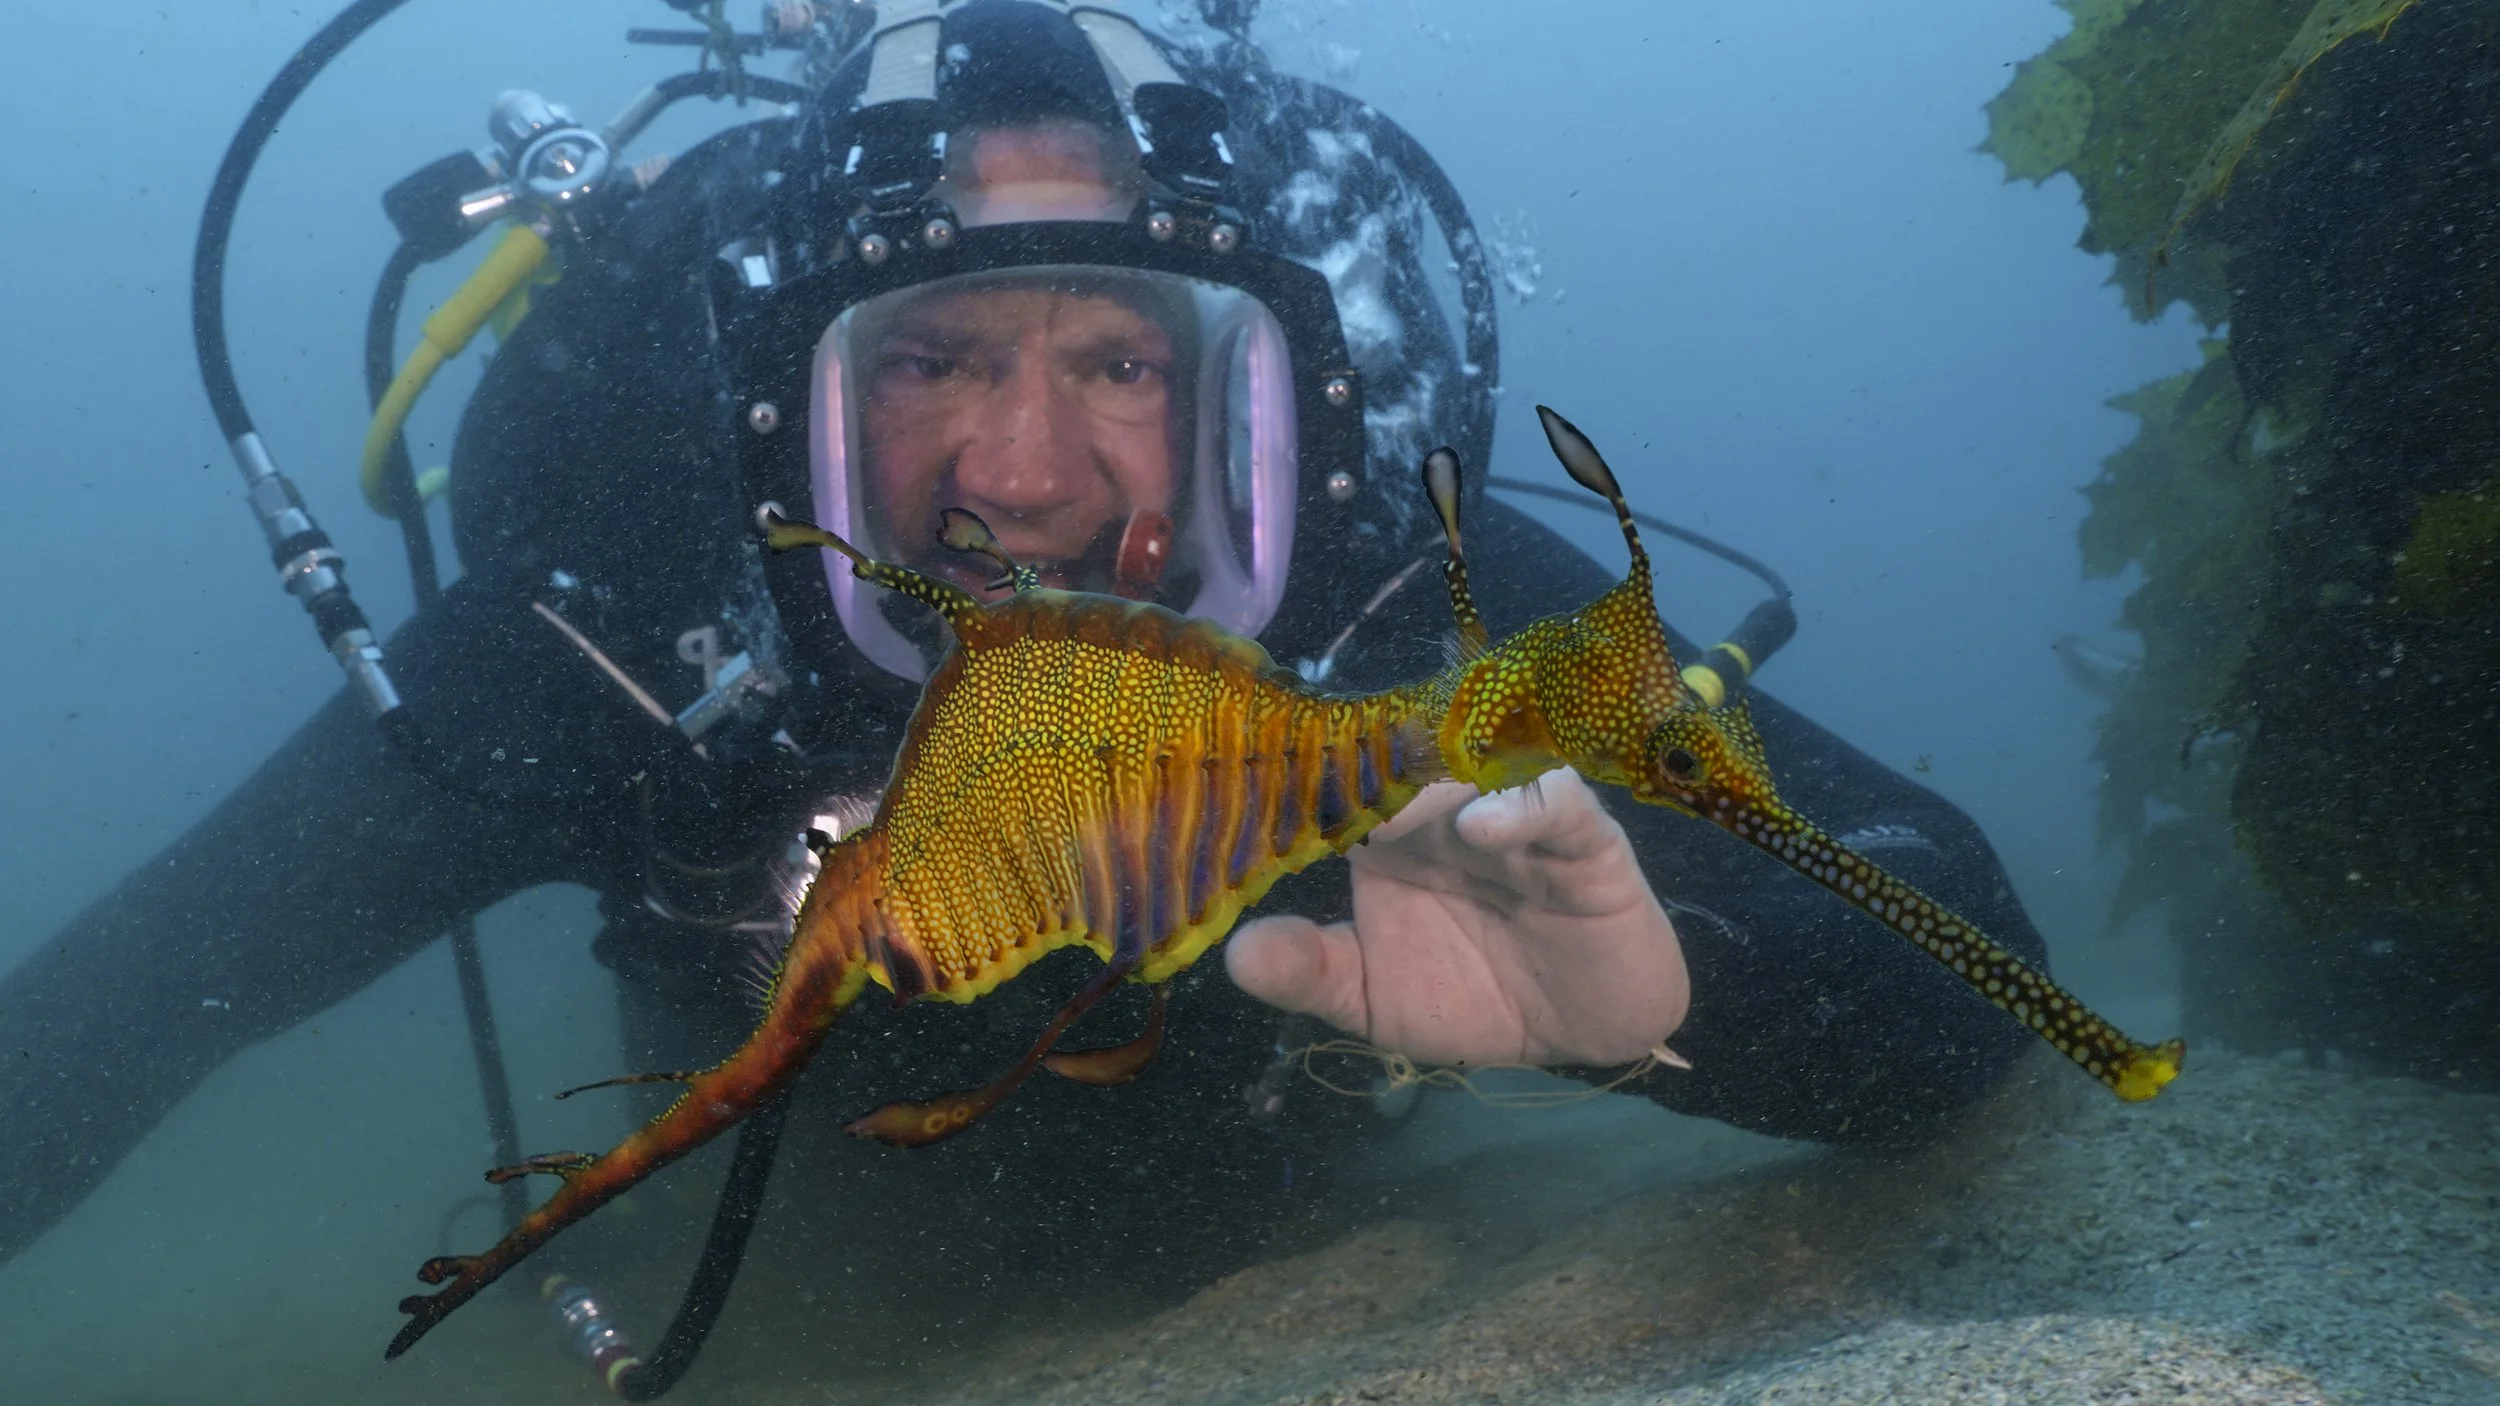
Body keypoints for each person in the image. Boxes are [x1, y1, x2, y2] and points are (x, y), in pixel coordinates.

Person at [0, 0, 2044, 1364]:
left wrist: (1674, 1010)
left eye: (1121, 361)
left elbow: (1959, 954)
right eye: (930, 357)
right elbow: (104, 1022)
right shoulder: (617, 638)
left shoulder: (1377, 617)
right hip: (823, 1257)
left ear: (1257, 387)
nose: (1022, 476)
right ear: (784, 389)